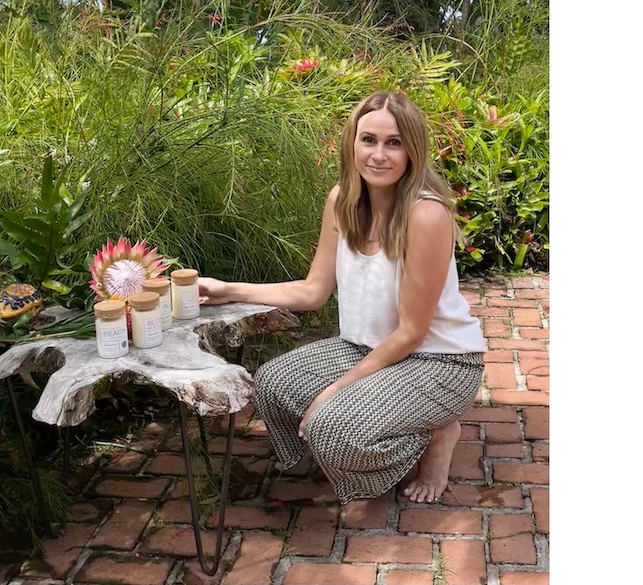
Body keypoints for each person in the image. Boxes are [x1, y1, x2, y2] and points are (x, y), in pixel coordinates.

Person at [197, 90, 486, 505]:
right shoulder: (342, 202)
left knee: (331, 428)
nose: (379, 155)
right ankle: (365, 428)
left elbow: (411, 333)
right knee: (272, 385)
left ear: (412, 151)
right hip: (366, 348)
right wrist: (227, 290)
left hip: (438, 362)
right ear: (352, 143)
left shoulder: (426, 215)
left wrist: (332, 393)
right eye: (368, 140)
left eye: (394, 142)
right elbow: (312, 291)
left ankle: (436, 434)